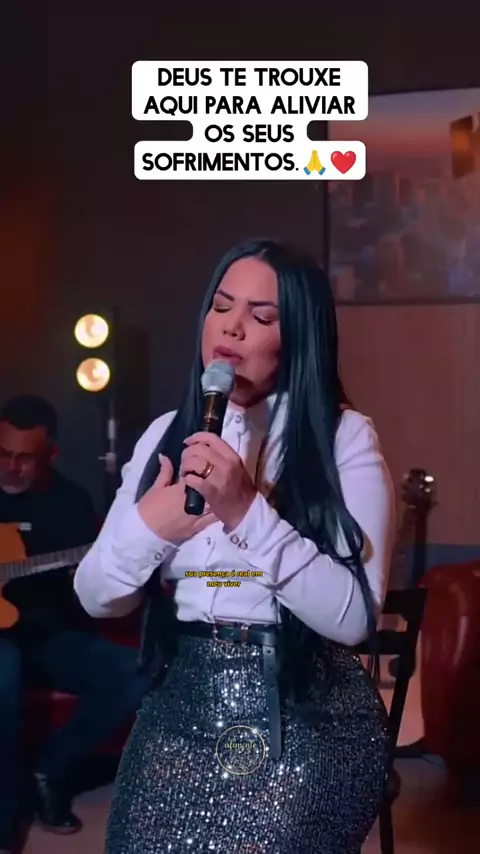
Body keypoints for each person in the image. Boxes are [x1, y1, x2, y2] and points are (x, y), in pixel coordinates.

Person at [74, 239, 396, 854]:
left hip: (306, 717)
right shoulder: (163, 436)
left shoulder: (342, 437)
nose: (232, 327)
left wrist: (248, 512)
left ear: (298, 338)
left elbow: (355, 618)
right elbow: (94, 596)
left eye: (262, 316)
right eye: (221, 307)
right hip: (182, 704)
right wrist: (150, 530)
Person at [0, 395, 148, 854]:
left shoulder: (71, 503)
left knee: (134, 672)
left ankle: (49, 770)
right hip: (2, 641)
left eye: (25, 458)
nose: (11, 467)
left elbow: (92, 594)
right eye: (3, 453)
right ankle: (6, 816)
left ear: (51, 454)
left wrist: (86, 581)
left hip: (49, 636)